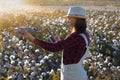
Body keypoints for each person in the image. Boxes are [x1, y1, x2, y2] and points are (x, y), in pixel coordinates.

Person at [23, 6, 90, 80]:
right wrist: (58, 42)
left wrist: (33, 39)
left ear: (78, 20)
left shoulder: (76, 36)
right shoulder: (83, 34)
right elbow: (71, 50)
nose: (68, 20)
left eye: (70, 18)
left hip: (73, 76)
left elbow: (54, 48)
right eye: (68, 18)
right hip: (76, 73)